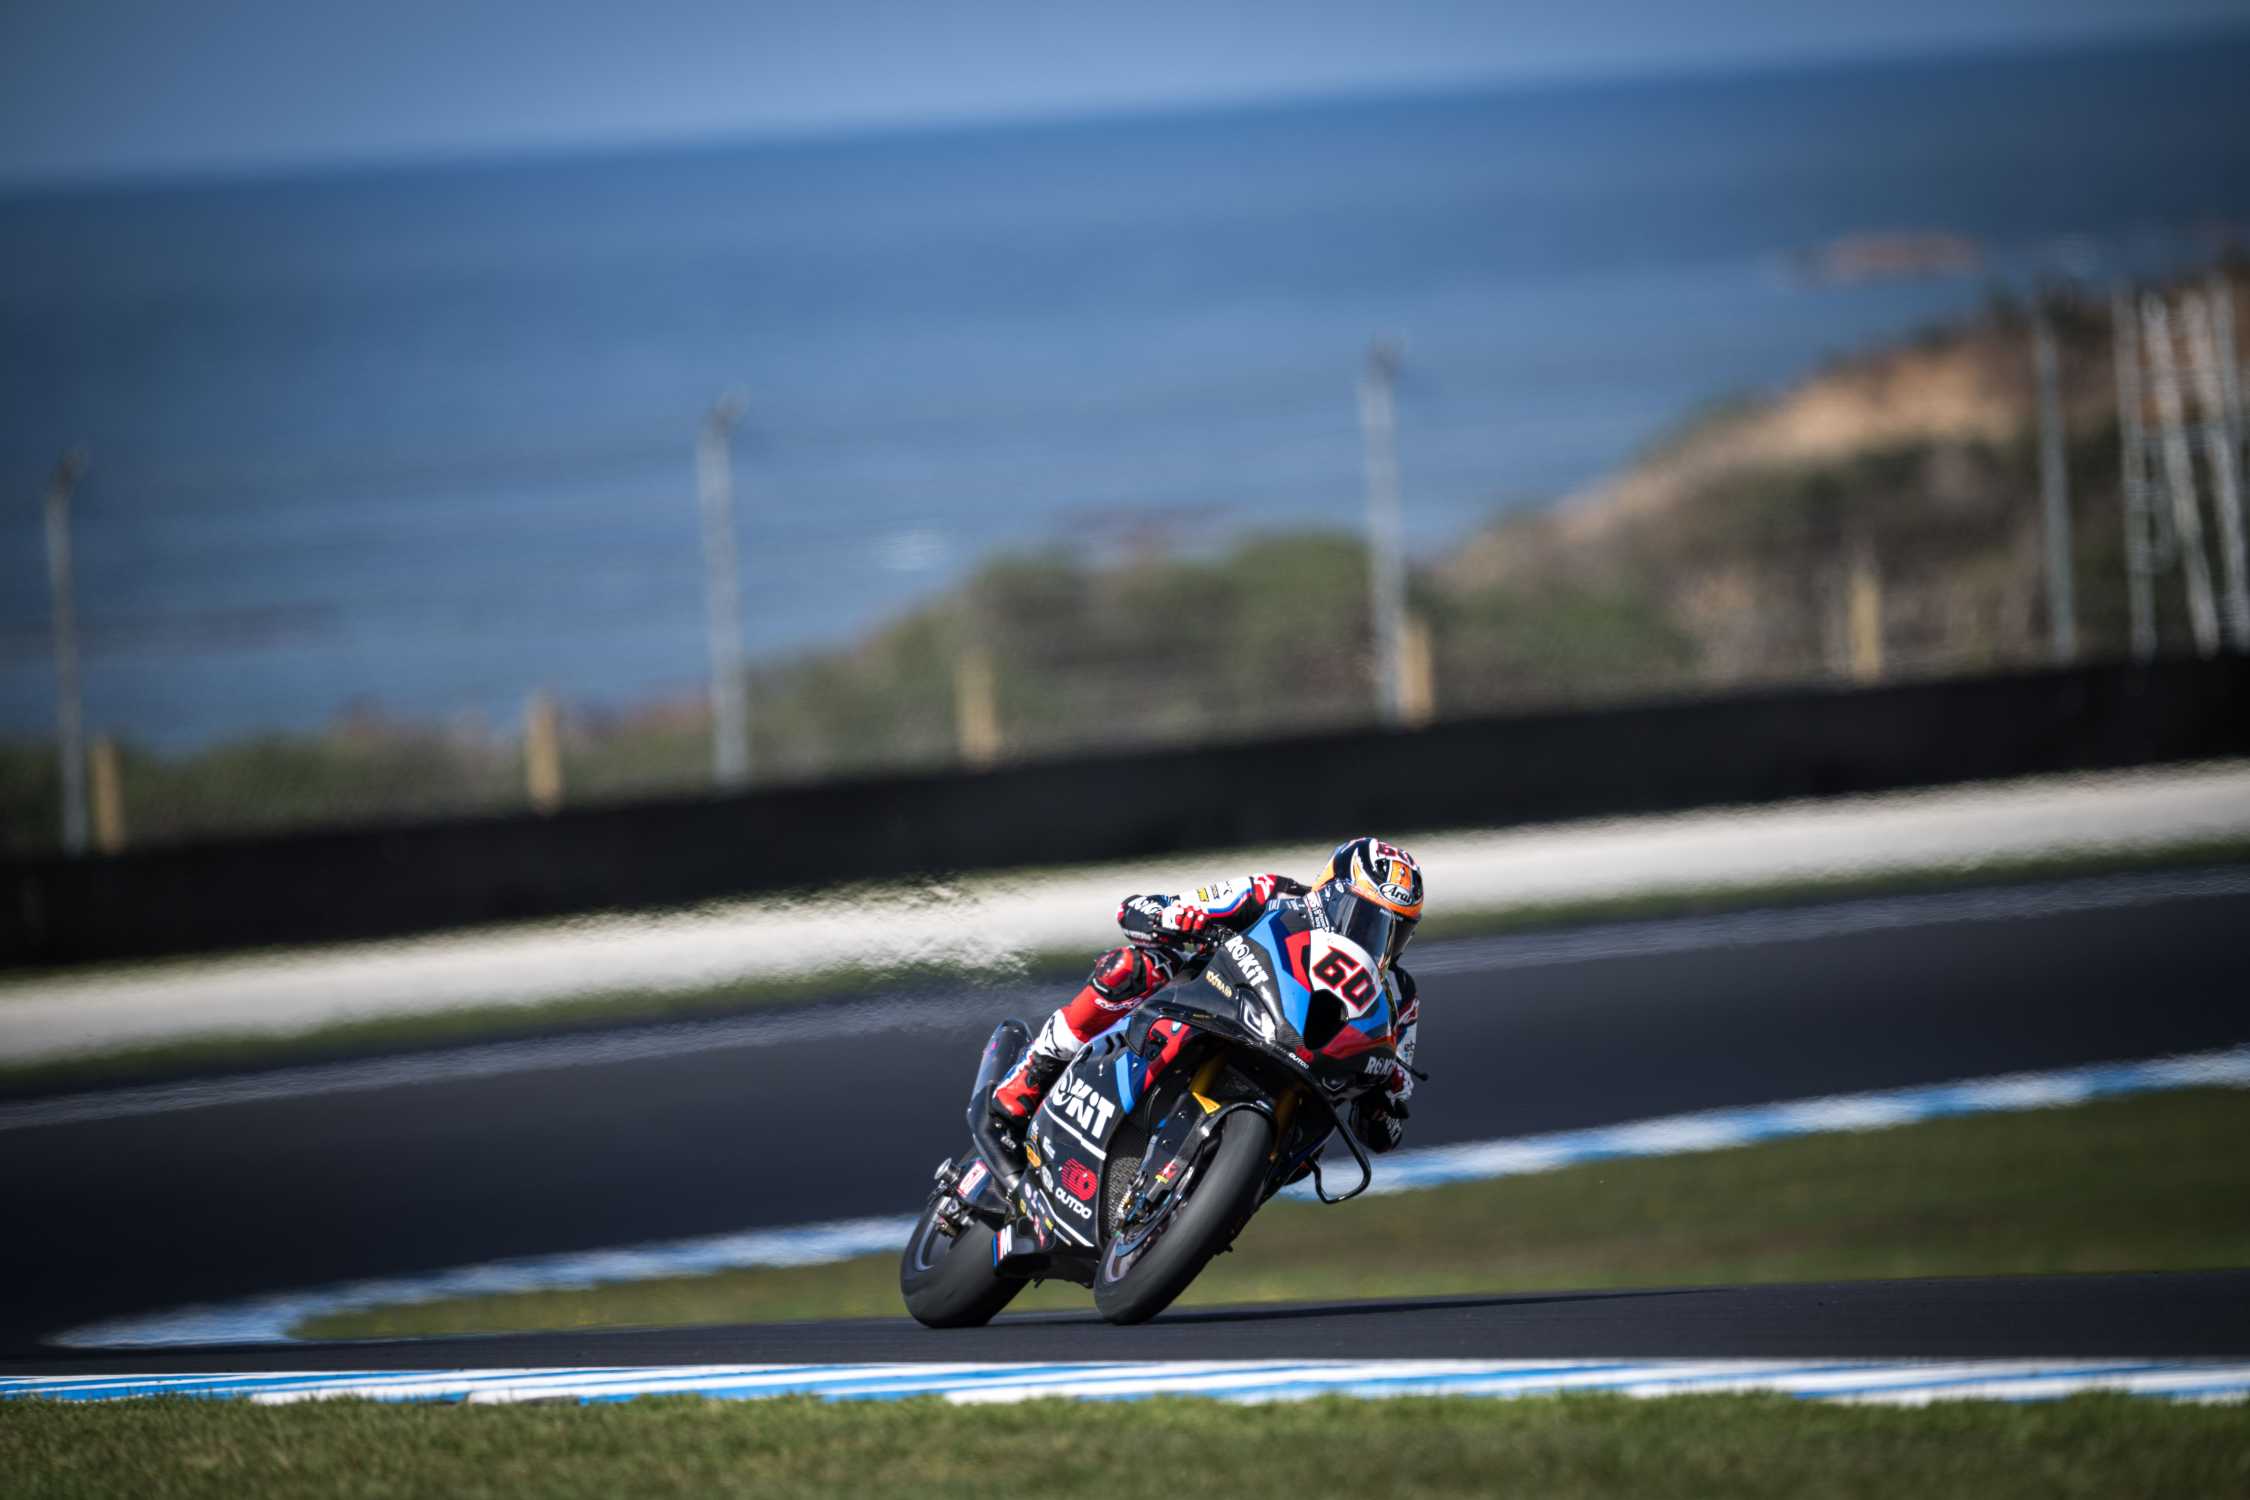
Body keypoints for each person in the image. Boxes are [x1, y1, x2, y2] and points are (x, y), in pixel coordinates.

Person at [988, 836, 1425, 1152]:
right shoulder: (1274, 895)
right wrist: (1172, 917)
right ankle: (1037, 1069)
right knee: (1134, 967)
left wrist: (1385, 1097)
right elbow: (1148, 908)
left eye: (1396, 931)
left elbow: (1385, 1132)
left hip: (1302, 1082)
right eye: (1364, 918)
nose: (1377, 939)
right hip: (1218, 1008)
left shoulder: (1398, 997)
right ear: (1328, 892)